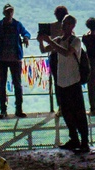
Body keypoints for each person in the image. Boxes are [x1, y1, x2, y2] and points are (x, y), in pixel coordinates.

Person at [39, 14, 90, 153]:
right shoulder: (58, 40)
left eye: (67, 24)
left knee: (79, 112)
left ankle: (84, 141)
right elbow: (43, 50)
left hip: (73, 80)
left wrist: (50, 41)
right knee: (67, 112)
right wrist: (41, 41)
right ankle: (74, 139)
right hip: (61, 81)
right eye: (63, 23)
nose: (63, 26)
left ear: (72, 26)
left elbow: (66, 53)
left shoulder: (75, 41)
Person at [0, 4, 30, 120]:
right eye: (7, 12)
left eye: (11, 11)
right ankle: (3, 110)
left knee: (17, 84)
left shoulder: (17, 24)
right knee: (2, 85)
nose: (9, 13)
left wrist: (26, 37)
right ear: (4, 13)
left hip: (15, 58)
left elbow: (26, 33)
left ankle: (18, 109)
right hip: (2, 59)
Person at [47, 5, 69, 109]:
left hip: (54, 55)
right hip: (66, 55)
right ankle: (69, 103)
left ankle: (60, 105)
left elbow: (47, 41)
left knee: (57, 81)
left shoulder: (51, 26)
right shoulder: (69, 27)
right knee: (68, 79)